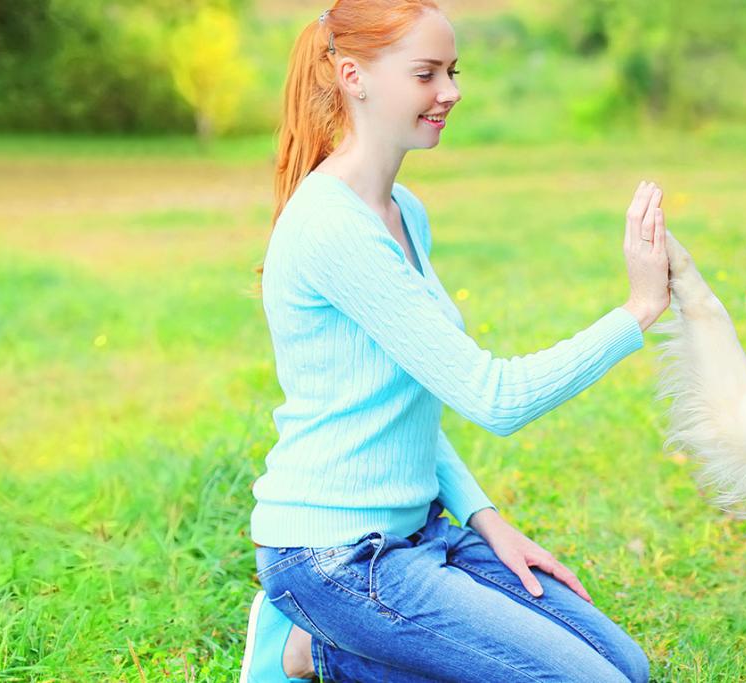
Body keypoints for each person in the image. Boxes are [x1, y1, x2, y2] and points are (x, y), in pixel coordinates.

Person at [238, 2, 668, 681]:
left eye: (452, 70)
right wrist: (638, 310)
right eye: (426, 74)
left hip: (420, 530)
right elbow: (494, 398)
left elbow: (408, 397)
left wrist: (485, 517)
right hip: (335, 557)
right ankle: (311, 644)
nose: (451, 92)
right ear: (354, 76)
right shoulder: (331, 226)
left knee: (627, 667)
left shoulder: (404, 212)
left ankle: (322, 647)